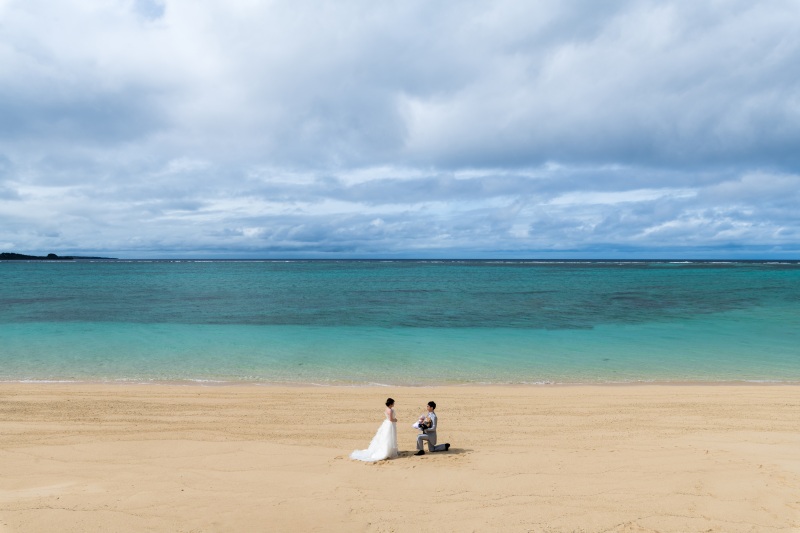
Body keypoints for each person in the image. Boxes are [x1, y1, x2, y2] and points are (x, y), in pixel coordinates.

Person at [350, 397, 399, 462]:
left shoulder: (387, 409)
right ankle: (387, 451)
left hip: (387, 423)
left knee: (386, 437)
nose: (394, 404)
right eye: (393, 403)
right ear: (391, 404)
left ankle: (388, 450)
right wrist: (395, 420)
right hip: (390, 424)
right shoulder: (390, 410)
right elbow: (391, 419)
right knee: (389, 437)